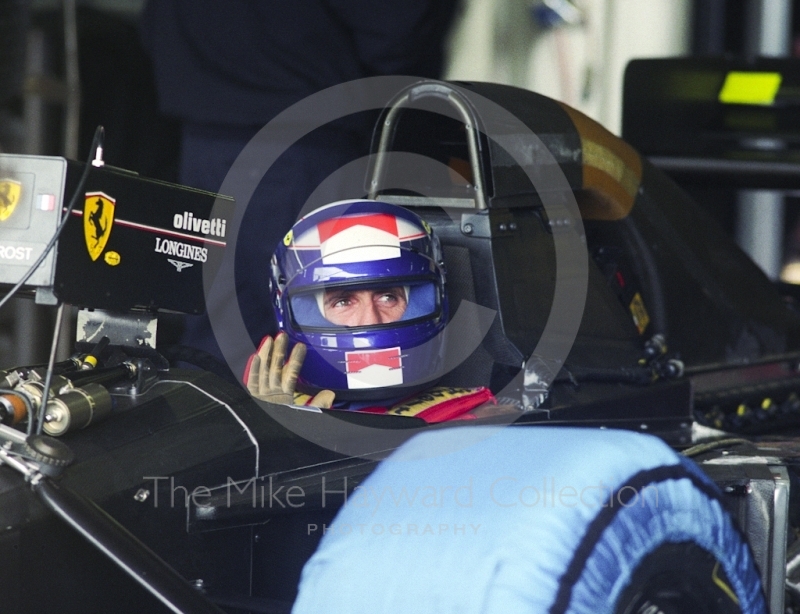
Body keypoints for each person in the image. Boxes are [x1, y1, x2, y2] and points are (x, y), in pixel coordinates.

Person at [139, 0, 461, 369]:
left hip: (205, 135)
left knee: (222, 339)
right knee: (325, 341)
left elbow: (154, 24)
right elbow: (396, 32)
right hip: (304, 137)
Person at [244, 199, 501, 422]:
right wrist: (277, 430)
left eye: (388, 297)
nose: (370, 320)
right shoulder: (266, 399)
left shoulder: (476, 423)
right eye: (343, 302)